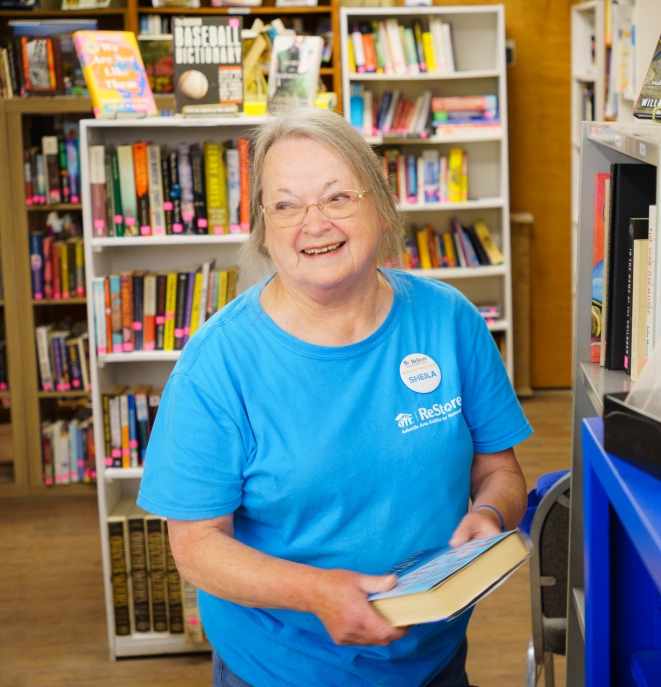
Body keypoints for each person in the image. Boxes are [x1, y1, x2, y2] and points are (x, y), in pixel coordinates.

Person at [137, 106, 532, 687]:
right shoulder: (217, 364)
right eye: (286, 204)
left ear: (379, 203)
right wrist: (316, 592)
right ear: (263, 227)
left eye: (337, 197)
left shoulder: (450, 320)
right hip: (282, 669)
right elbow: (195, 546)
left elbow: (500, 469)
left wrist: (491, 513)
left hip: (436, 657)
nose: (313, 223)